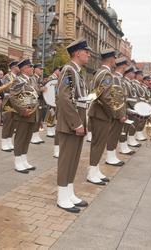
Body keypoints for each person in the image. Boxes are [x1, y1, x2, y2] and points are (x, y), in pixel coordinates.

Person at [55, 38, 91, 213]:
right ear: (77, 53)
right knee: (66, 160)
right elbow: (64, 98)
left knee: (73, 160)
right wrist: (76, 123)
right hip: (71, 124)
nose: (89, 55)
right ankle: (62, 196)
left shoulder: (77, 72)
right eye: (86, 52)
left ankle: (69, 192)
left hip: (77, 122)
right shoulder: (68, 71)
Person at [87, 48, 126, 185]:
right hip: (101, 114)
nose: (115, 61)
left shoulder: (99, 73)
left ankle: (95, 169)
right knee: (98, 144)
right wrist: (114, 113)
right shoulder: (106, 74)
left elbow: (93, 94)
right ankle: (92, 173)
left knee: (99, 143)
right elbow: (106, 97)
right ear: (110, 59)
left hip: (97, 111)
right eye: (114, 59)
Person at [9, 59, 39, 173]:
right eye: (29, 67)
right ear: (23, 69)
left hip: (32, 112)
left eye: (31, 66)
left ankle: (23, 159)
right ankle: (18, 161)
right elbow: (13, 98)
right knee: (20, 137)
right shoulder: (18, 80)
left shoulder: (31, 80)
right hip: (23, 114)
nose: (32, 68)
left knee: (27, 138)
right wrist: (22, 110)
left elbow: (34, 94)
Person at [105, 57, 128, 166]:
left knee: (115, 134)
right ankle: (110, 157)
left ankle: (112, 155)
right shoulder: (116, 78)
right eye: (125, 65)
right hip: (117, 113)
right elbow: (117, 98)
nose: (126, 68)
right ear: (122, 66)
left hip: (119, 111)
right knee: (113, 134)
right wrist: (120, 114)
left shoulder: (119, 78)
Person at [1, 60, 19, 152]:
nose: (18, 68)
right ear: (13, 67)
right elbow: (6, 88)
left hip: (15, 101)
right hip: (8, 101)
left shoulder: (17, 77)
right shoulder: (7, 76)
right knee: (7, 122)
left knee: (13, 122)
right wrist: (15, 86)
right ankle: (4, 142)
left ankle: (9, 141)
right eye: (17, 66)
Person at [30, 63, 46, 144]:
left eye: (42, 69)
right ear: (35, 69)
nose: (41, 71)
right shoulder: (32, 78)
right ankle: (33, 136)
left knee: (39, 119)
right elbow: (33, 90)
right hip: (34, 101)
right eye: (40, 69)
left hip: (40, 101)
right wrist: (41, 89)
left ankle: (36, 135)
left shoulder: (39, 79)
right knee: (35, 119)